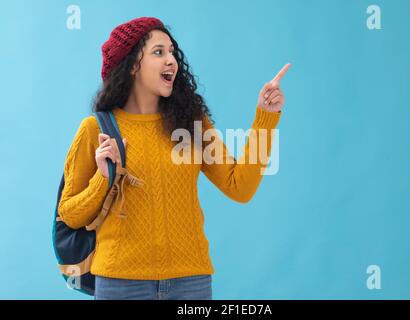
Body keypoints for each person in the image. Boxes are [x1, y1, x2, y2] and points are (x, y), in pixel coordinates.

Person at [58, 16, 290, 300]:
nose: (172, 61)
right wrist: (102, 179)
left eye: (172, 52)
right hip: (120, 283)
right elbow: (69, 214)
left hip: (190, 282)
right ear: (132, 65)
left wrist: (265, 118)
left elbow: (239, 186)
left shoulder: (189, 124)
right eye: (159, 52)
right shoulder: (96, 130)